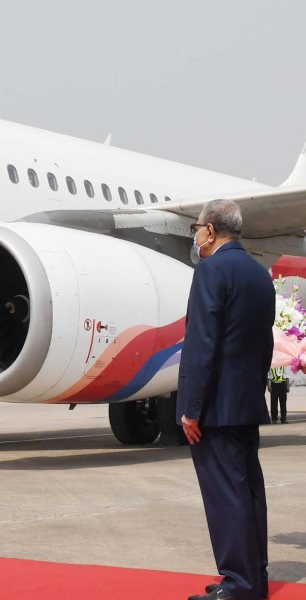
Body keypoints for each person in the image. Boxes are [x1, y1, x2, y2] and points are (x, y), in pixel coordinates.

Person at [177, 199, 275, 600]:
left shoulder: (210, 271)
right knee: (249, 490)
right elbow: (264, 341)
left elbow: (202, 346)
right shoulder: (258, 274)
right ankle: (255, 577)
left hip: (215, 407)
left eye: (197, 228)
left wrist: (191, 409)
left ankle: (238, 582)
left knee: (226, 495)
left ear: (211, 230)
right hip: (246, 400)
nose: (196, 235)